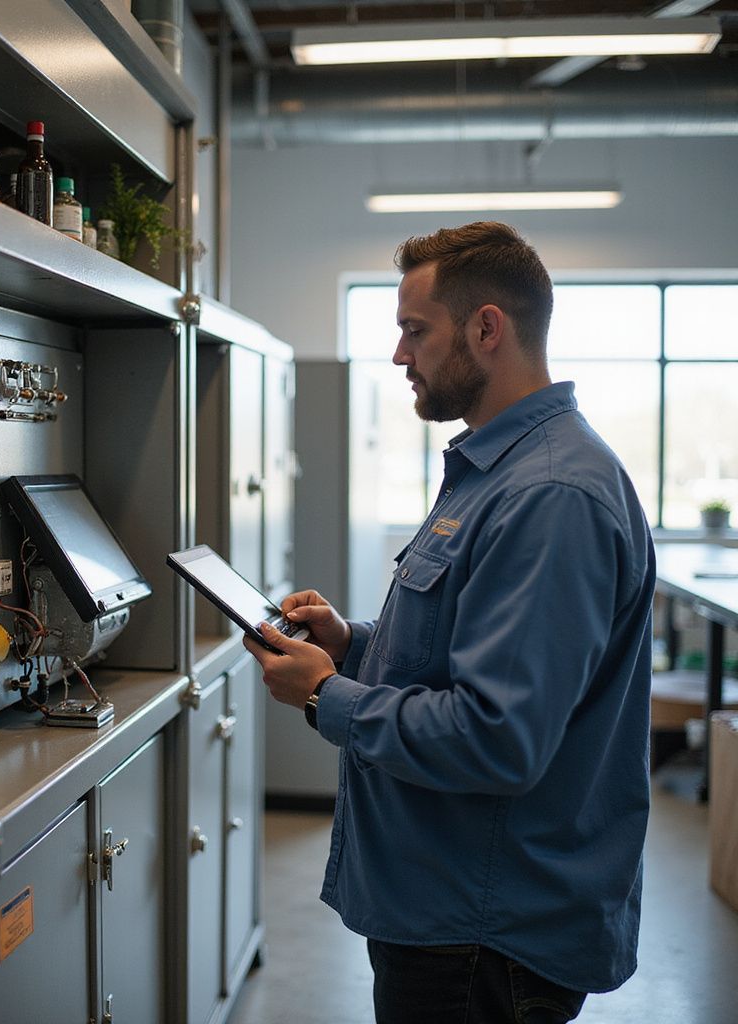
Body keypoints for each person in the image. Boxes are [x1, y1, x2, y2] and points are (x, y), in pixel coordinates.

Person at [243, 221, 654, 1024]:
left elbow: (499, 735)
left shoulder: (547, 495)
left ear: (486, 328)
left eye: (413, 331)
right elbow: (463, 655)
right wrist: (352, 646)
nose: (401, 355)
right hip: (446, 904)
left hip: (484, 934)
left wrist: (329, 696)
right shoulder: (493, 471)